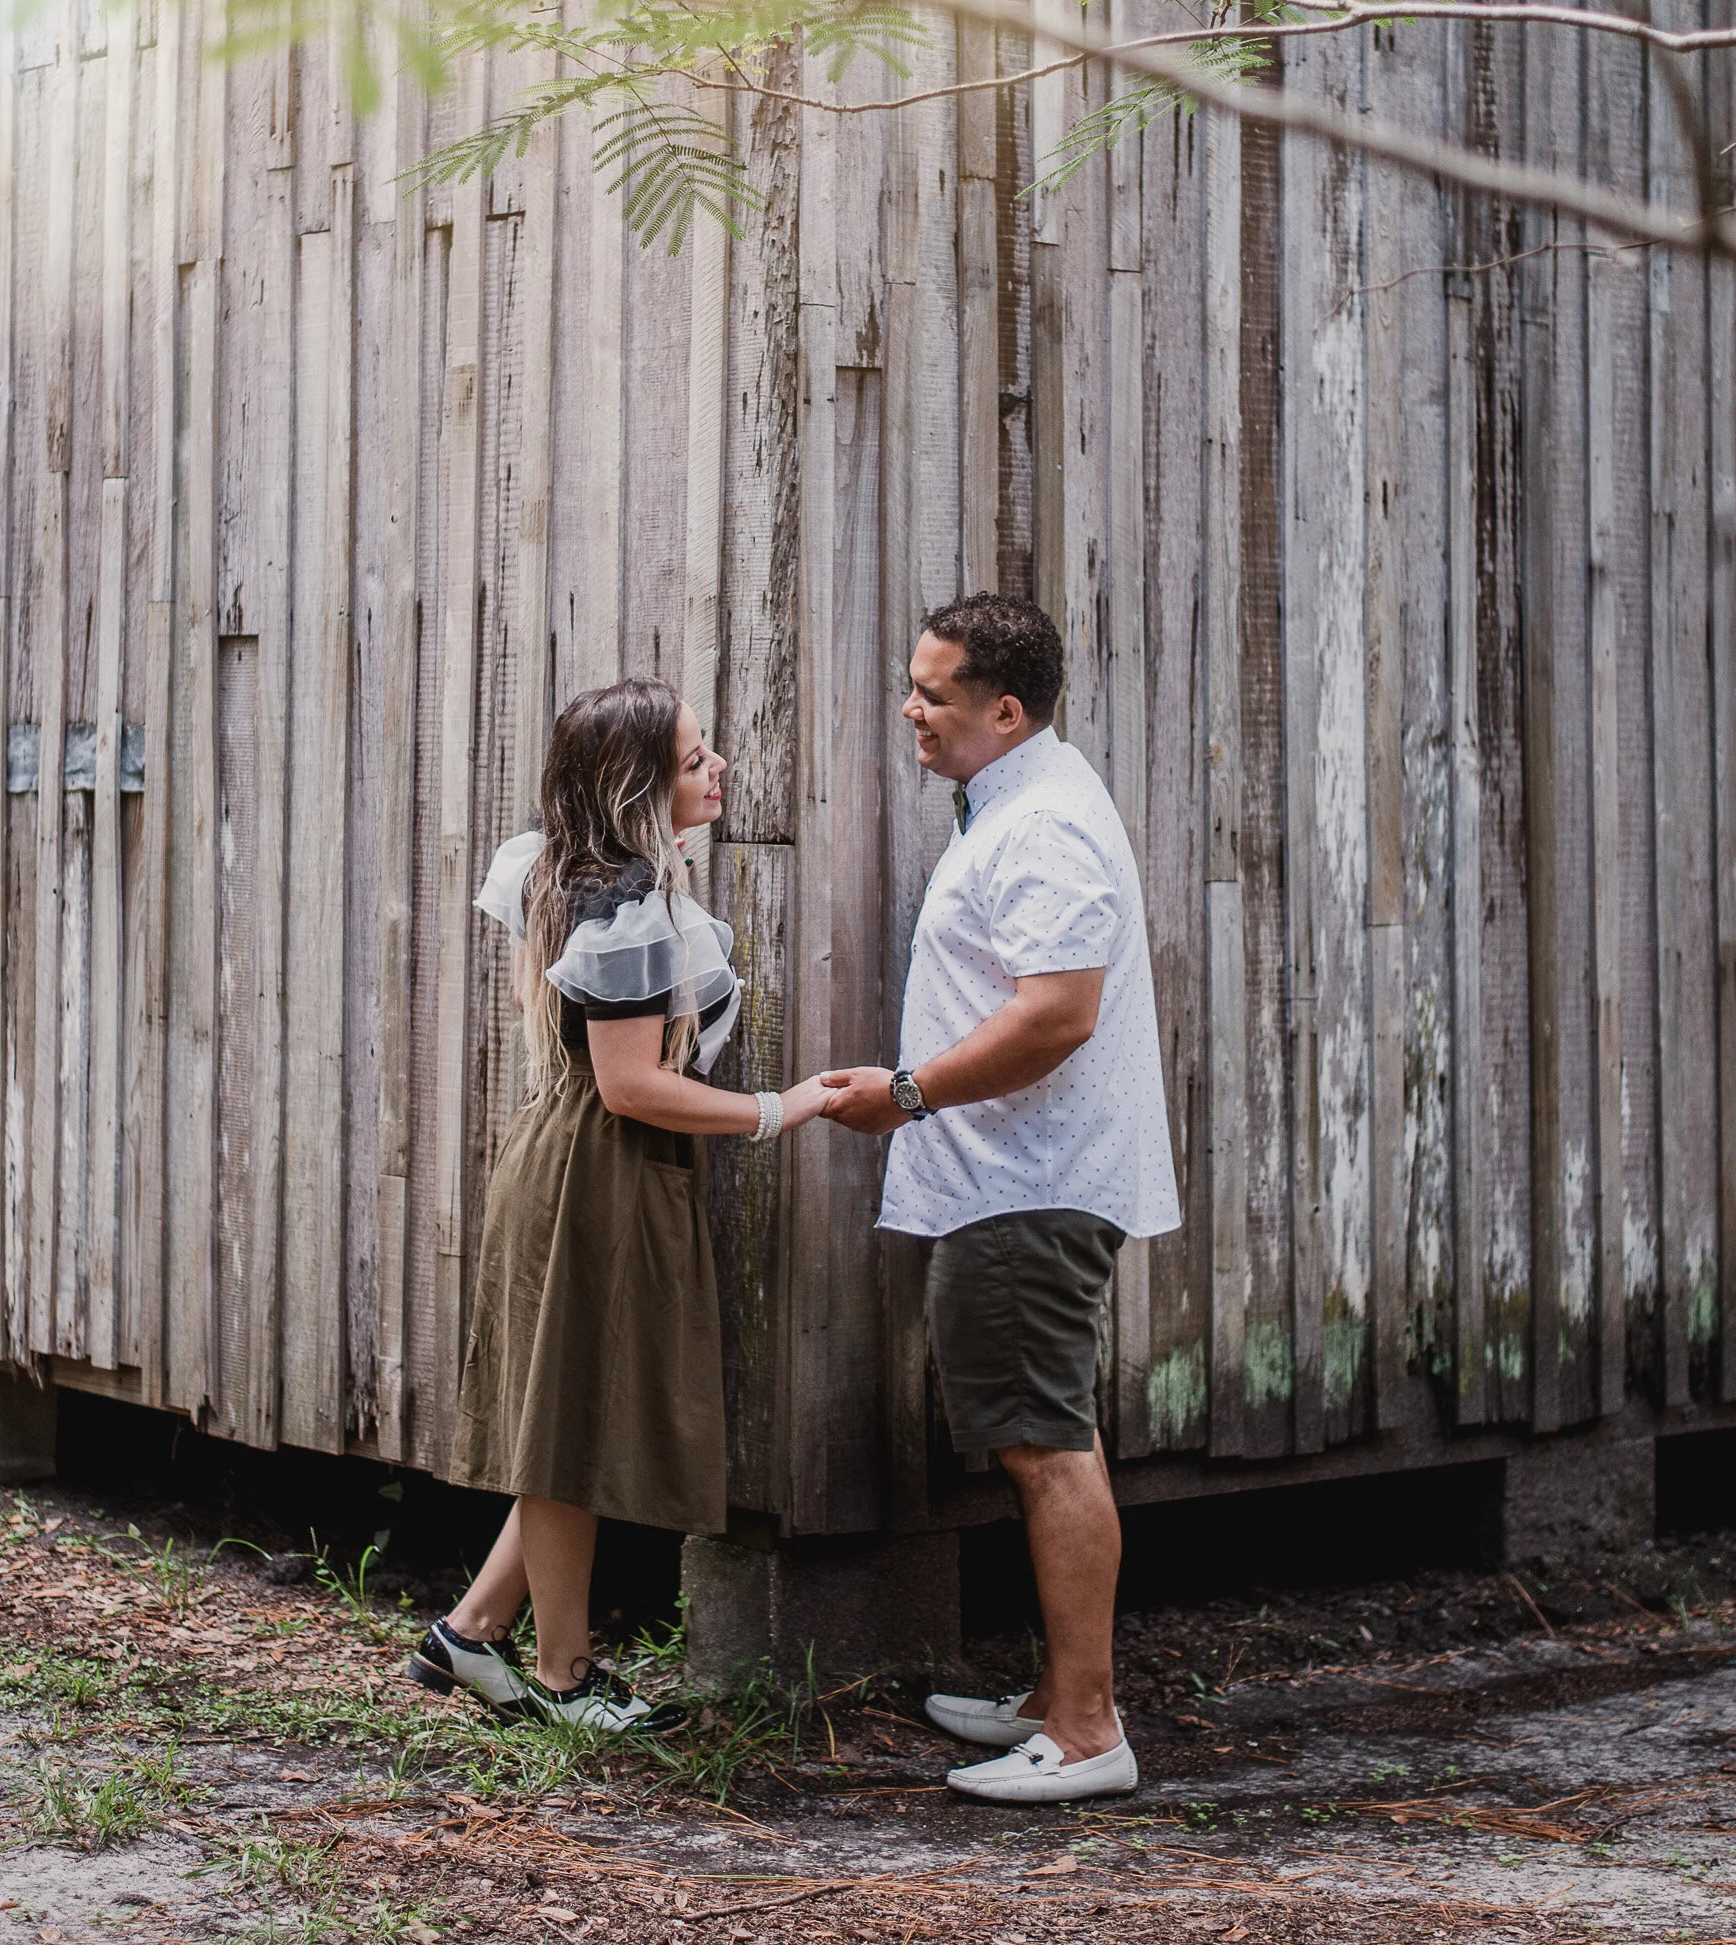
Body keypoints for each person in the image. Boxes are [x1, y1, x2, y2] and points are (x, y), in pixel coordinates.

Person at [407, 677, 831, 1732]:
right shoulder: (629, 906)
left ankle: (468, 1633)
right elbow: (632, 1085)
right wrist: (782, 1108)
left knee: (570, 1411)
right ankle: (563, 1673)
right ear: (639, 786)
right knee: (569, 1425)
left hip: (567, 1156)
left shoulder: (556, 866)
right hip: (602, 1167)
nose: (719, 766)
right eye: (694, 759)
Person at [822, 593, 1178, 1804]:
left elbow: (1055, 1013)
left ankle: (1084, 1732)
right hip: (1010, 1178)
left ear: (1004, 708)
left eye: (933, 693)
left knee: (1044, 1446)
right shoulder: (1020, 801)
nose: (911, 711)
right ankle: (1053, 1694)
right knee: (1041, 1432)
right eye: (912, 685)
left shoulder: (1043, 829)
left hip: (1025, 1183)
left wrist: (909, 1091)